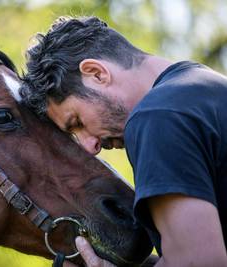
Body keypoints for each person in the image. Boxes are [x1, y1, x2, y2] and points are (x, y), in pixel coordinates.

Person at [20, 16, 227, 266]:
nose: (89, 147)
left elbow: (200, 261)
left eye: (77, 122)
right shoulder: (207, 89)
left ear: (96, 73)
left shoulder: (156, 118)